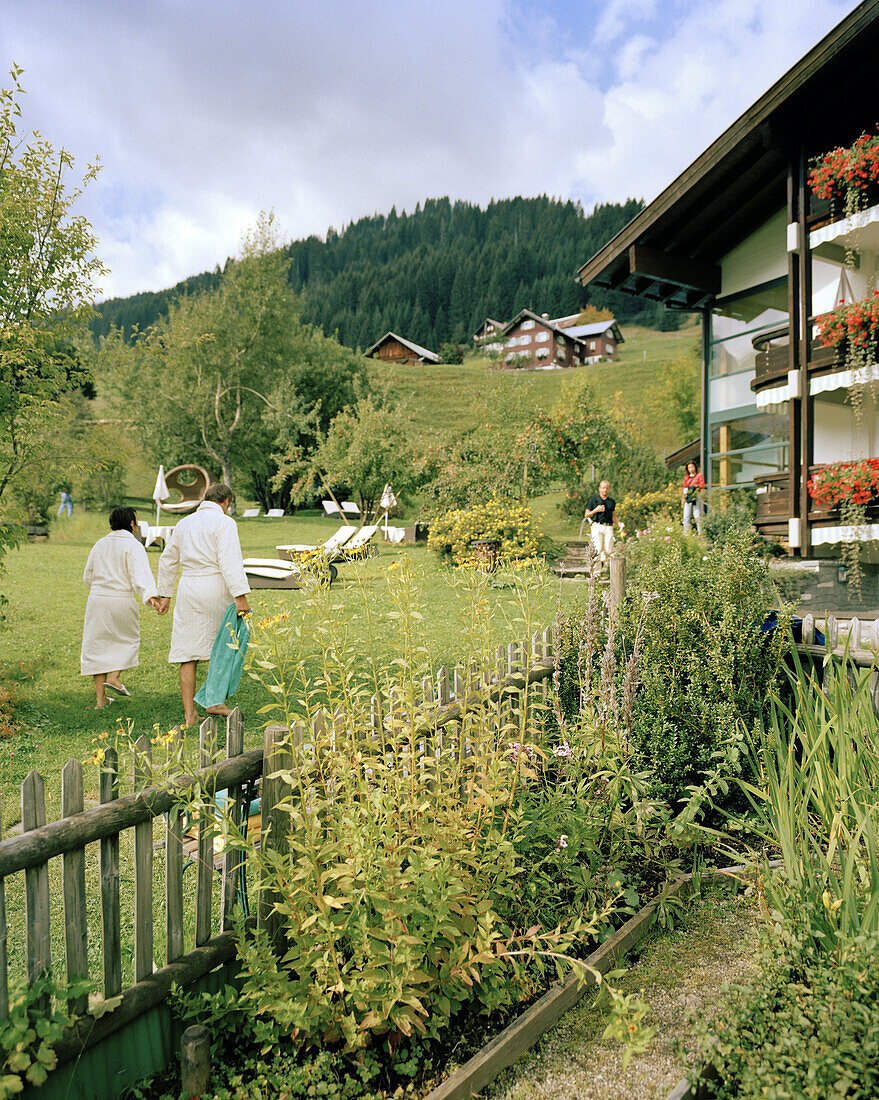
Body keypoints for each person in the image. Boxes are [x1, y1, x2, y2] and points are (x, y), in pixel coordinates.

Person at [157, 483, 251, 726]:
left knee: (188, 652)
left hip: (188, 589)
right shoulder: (225, 523)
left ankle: (190, 714)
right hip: (215, 587)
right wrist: (240, 595)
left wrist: (165, 593)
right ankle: (215, 701)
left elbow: (167, 560)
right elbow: (229, 560)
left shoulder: (183, 523)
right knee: (224, 645)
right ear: (226, 502)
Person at [81, 506, 161, 709]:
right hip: (121, 599)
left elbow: (87, 575)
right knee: (127, 640)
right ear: (131, 523)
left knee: (97, 646)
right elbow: (140, 574)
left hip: (97, 600)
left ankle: (101, 700)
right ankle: (115, 677)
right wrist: (151, 595)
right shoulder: (133, 546)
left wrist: (101, 587)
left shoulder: (100, 544)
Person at [584, 480, 616, 565]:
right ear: (599, 489)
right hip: (597, 526)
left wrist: (620, 524)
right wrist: (596, 510)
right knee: (597, 549)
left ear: (608, 489)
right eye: (603, 488)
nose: (605, 490)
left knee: (609, 550)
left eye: (607, 488)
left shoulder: (611, 501)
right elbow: (586, 515)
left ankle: (607, 568)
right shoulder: (594, 499)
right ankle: (596, 573)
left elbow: (614, 516)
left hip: (608, 527)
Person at [682, 459, 705, 535]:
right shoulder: (687, 478)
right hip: (688, 497)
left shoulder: (699, 475)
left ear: (695, 467)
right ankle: (686, 533)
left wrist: (694, 487)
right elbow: (684, 488)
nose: (691, 469)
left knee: (697, 515)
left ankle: (700, 532)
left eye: (692, 467)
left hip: (696, 496)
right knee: (686, 516)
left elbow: (702, 485)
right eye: (689, 468)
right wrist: (683, 498)